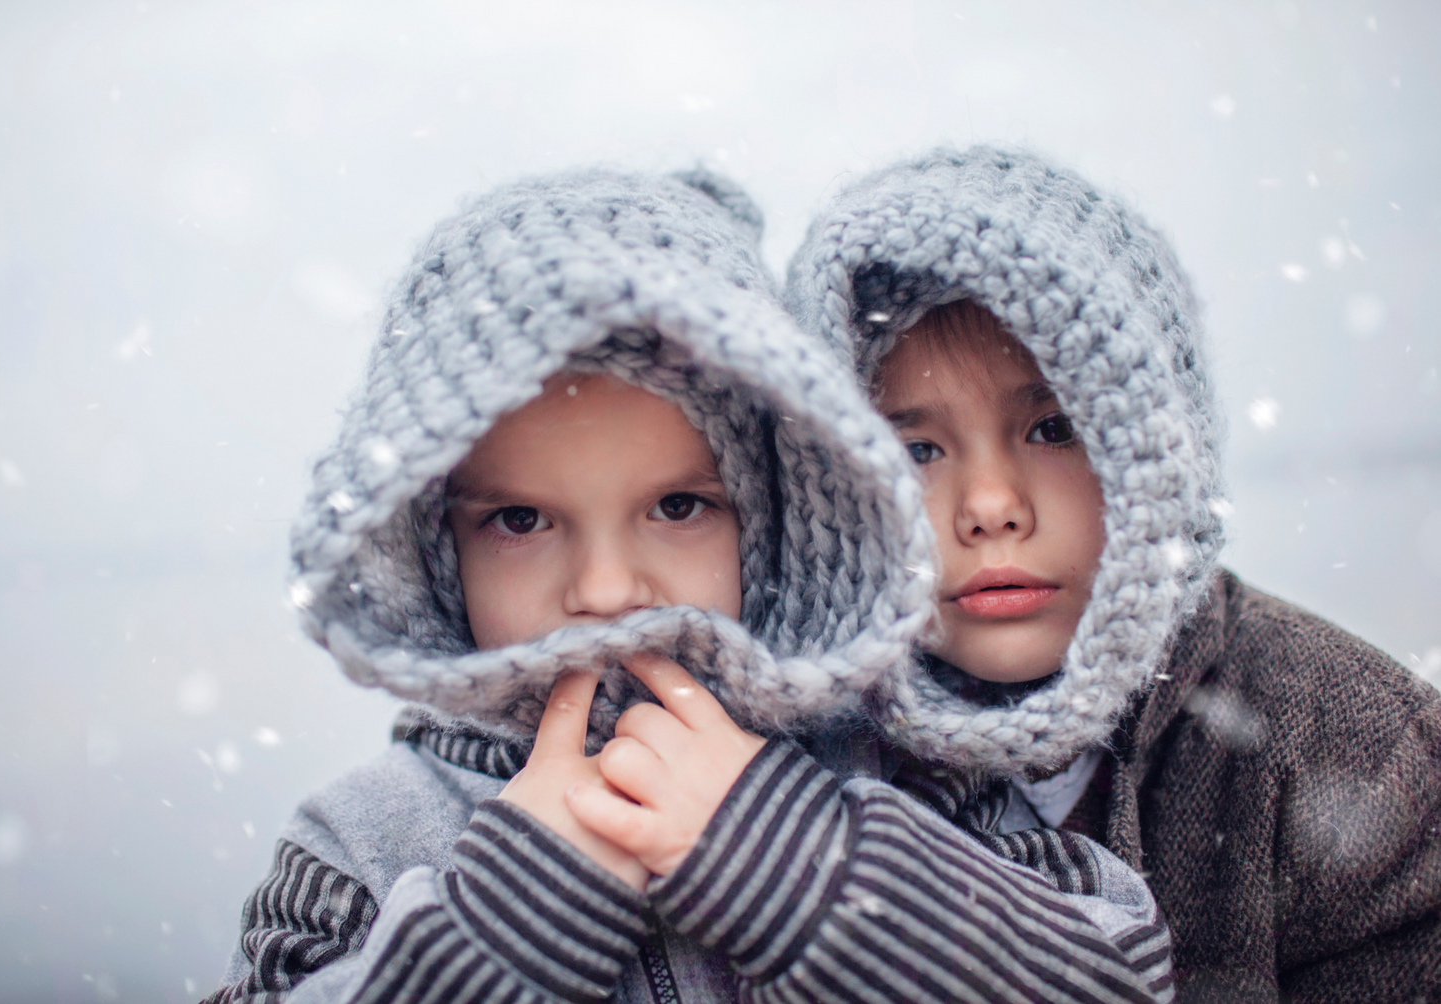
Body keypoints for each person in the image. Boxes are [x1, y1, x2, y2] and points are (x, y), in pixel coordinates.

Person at [205, 166, 1173, 1004]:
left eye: (677, 507)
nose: (608, 588)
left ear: (775, 512)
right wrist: (503, 921)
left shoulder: (897, 766)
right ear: (430, 546)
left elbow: (1120, 973)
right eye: (519, 519)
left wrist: (795, 860)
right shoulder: (371, 835)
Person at [785, 144, 1441, 1001]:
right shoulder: (781, 751)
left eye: (1055, 429)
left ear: (1164, 444)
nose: (990, 505)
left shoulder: (1353, 748)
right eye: (914, 449)